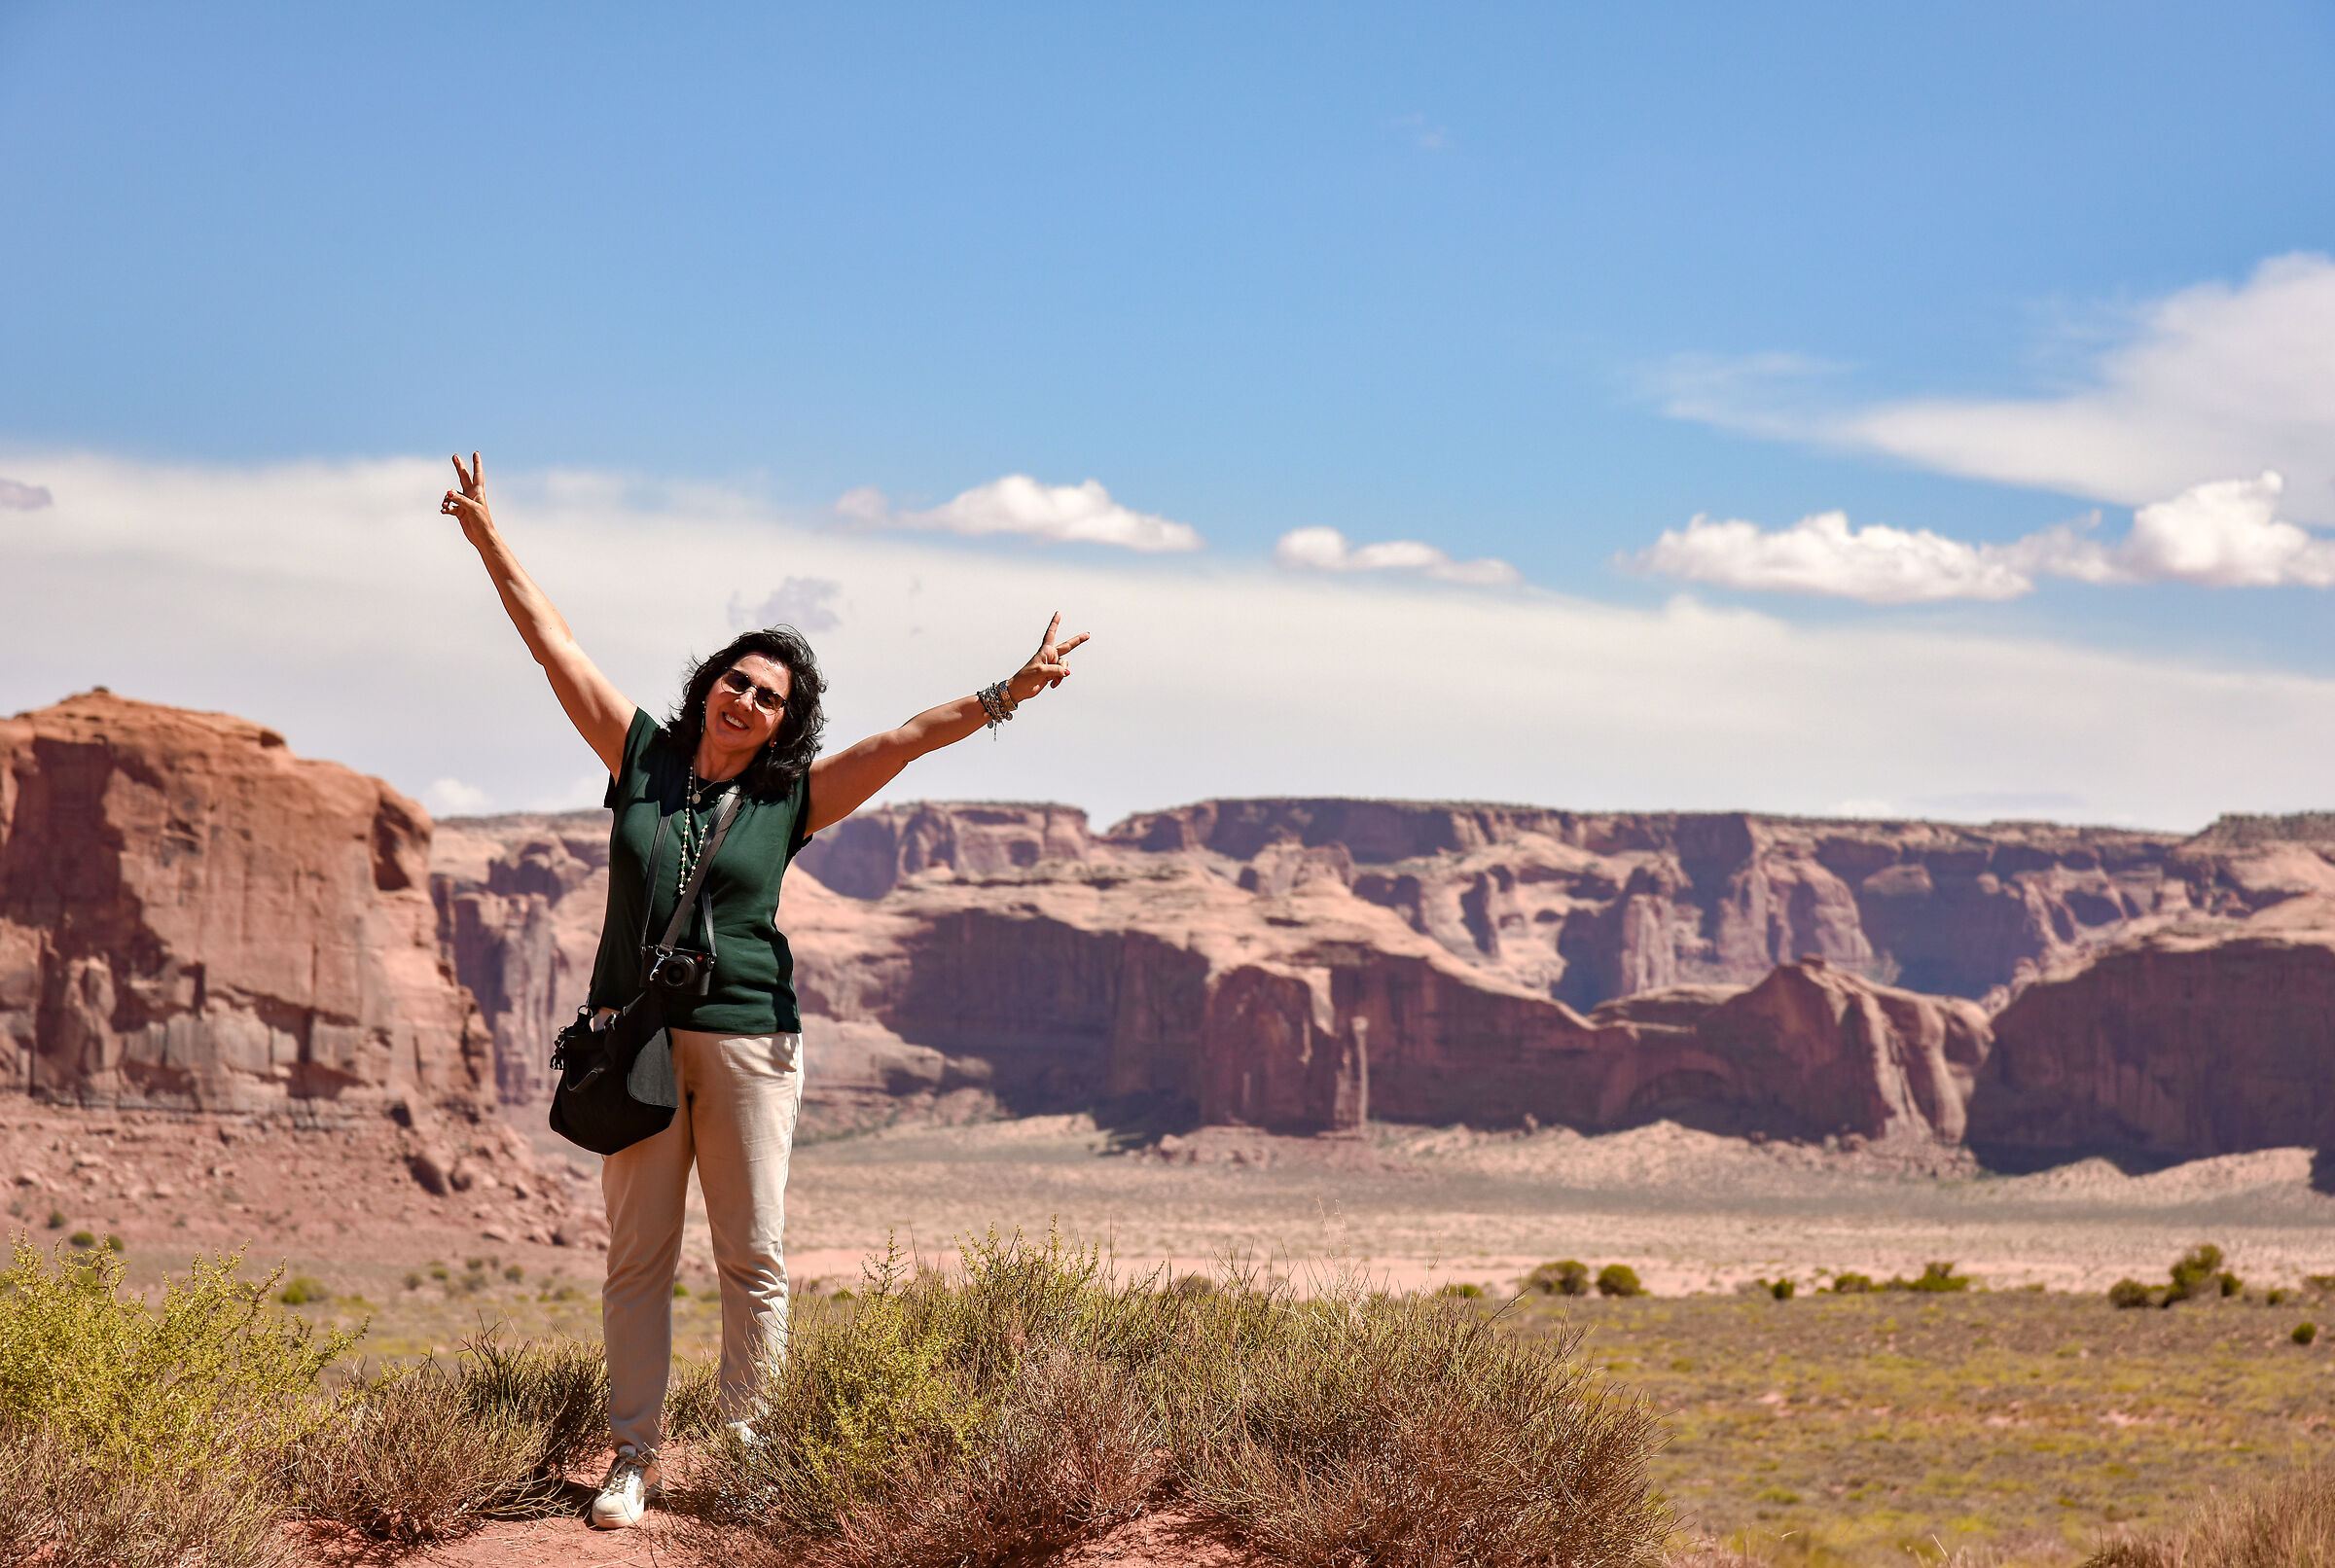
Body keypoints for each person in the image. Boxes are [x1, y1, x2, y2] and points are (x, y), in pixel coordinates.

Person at [440, 452, 1087, 1529]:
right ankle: (633, 1458)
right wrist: (486, 537)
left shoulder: (794, 800)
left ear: (786, 724)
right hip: (640, 1039)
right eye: (738, 680)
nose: (748, 699)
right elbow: (551, 642)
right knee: (638, 1258)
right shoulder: (638, 755)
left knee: (754, 1256)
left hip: (749, 1042)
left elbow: (903, 742)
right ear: (709, 689)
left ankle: (748, 1456)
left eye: (771, 696)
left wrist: (1007, 692)